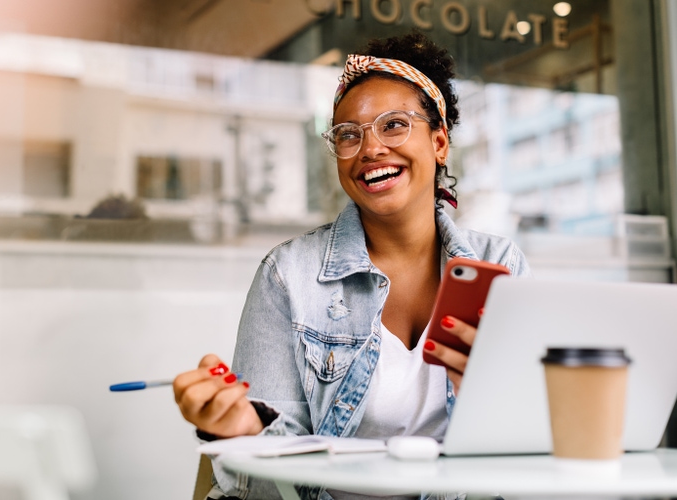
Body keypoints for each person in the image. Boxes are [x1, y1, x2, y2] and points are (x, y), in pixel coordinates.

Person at [173, 32, 531, 500]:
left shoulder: (498, 267)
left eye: (394, 125)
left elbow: (530, 457)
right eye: (348, 134)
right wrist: (243, 432)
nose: (370, 148)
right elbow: (262, 486)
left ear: (440, 142)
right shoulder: (288, 275)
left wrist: (490, 400)